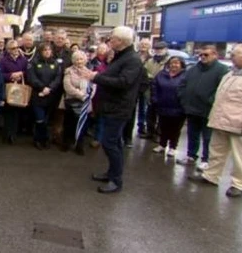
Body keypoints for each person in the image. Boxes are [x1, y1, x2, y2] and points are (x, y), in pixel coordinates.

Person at [190, 43, 242, 198]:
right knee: (216, 151)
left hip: (241, 125)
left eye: (235, 53)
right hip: (222, 120)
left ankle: (238, 185)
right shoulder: (233, 72)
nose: (231, 56)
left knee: (241, 157)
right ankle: (211, 176)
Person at [79, 26, 143, 194]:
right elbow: (113, 76)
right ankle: (111, 173)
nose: (110, 41)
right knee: (112, 143)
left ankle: (116, 180)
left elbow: (123, 82)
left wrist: (96, 77)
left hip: (119, 108)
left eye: (113, 38)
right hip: (111, 106)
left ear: (121, 41)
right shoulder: (121, 57)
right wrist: (96, 75)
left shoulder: (132, 60)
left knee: (111, 143)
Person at [177, 45, 229, 170]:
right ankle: (191, 155)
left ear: (215, 55)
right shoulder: (193, 69)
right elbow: (182, 85)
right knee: (192, 133)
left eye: (206, 55)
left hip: (208, 110)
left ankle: (206, 160)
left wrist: (210, 101)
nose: (203, 57)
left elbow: (223, 90)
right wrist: (184, 100)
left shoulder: (222, 70)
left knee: (208, 137)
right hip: (192, 108)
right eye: (200, 55)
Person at [27, 43, 62, 150]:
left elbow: (58, 78)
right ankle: (38, 139)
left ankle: (44, 139)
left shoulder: (55, 64)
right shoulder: (33, 63)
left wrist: (49, 88)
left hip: (51, 96)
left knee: (46, 120)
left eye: (49, 50)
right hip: (38, 95)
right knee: (40, 119)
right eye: (45, 50)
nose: (47, 52)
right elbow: (31, 78)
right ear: (41, 51)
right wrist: (42, 87)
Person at [151, 56, 187, 157]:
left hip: (178, 108)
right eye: (172, 63)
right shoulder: (161, 74)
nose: (174, 65)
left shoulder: (185, 76)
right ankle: (162, 145)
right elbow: (154, 86)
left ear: (181, 65)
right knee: (163, 126)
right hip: (162, 106)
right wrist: (155, 99)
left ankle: (172, 147)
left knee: (175, 129)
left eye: (176, 63)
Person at [63, 51, 93, 155]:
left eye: (81, 59)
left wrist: (87, 97)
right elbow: (68, 87)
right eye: (77, 59)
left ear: (85, 60)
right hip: (71, 101)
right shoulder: (69, 71)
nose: (79, 61)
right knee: (69, 124)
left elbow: (93, 87)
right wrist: (81, 95)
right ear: (73, 60)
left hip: (85, 103)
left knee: (82, 125)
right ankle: (66, 143)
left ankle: (79, 145)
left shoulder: (89, 72)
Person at [0, 39, 28, 144]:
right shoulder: (3, 60)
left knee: (16, 112)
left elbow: (27, 72)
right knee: (8, 112)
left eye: (17, 47)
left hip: (19, 89)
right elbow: (0, 74)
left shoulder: (23, 60)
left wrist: (21, 74)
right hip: (9, 88)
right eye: (13, 48)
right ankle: (6, 134)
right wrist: (10, 75)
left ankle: (13, 134)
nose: (16, 50)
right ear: (8, 49)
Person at [143, 41, 170, 141]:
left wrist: (155, 78)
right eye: (156, 49)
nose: (158, 51)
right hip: (151, 89)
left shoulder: (169, 61)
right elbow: (145, 72)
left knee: (161, 114)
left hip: (164, 91)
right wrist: (152, 78)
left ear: (165, 50)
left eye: (160, 49)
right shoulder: (150, 61)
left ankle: (159, 134)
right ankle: (150, 132)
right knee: (150, 113)